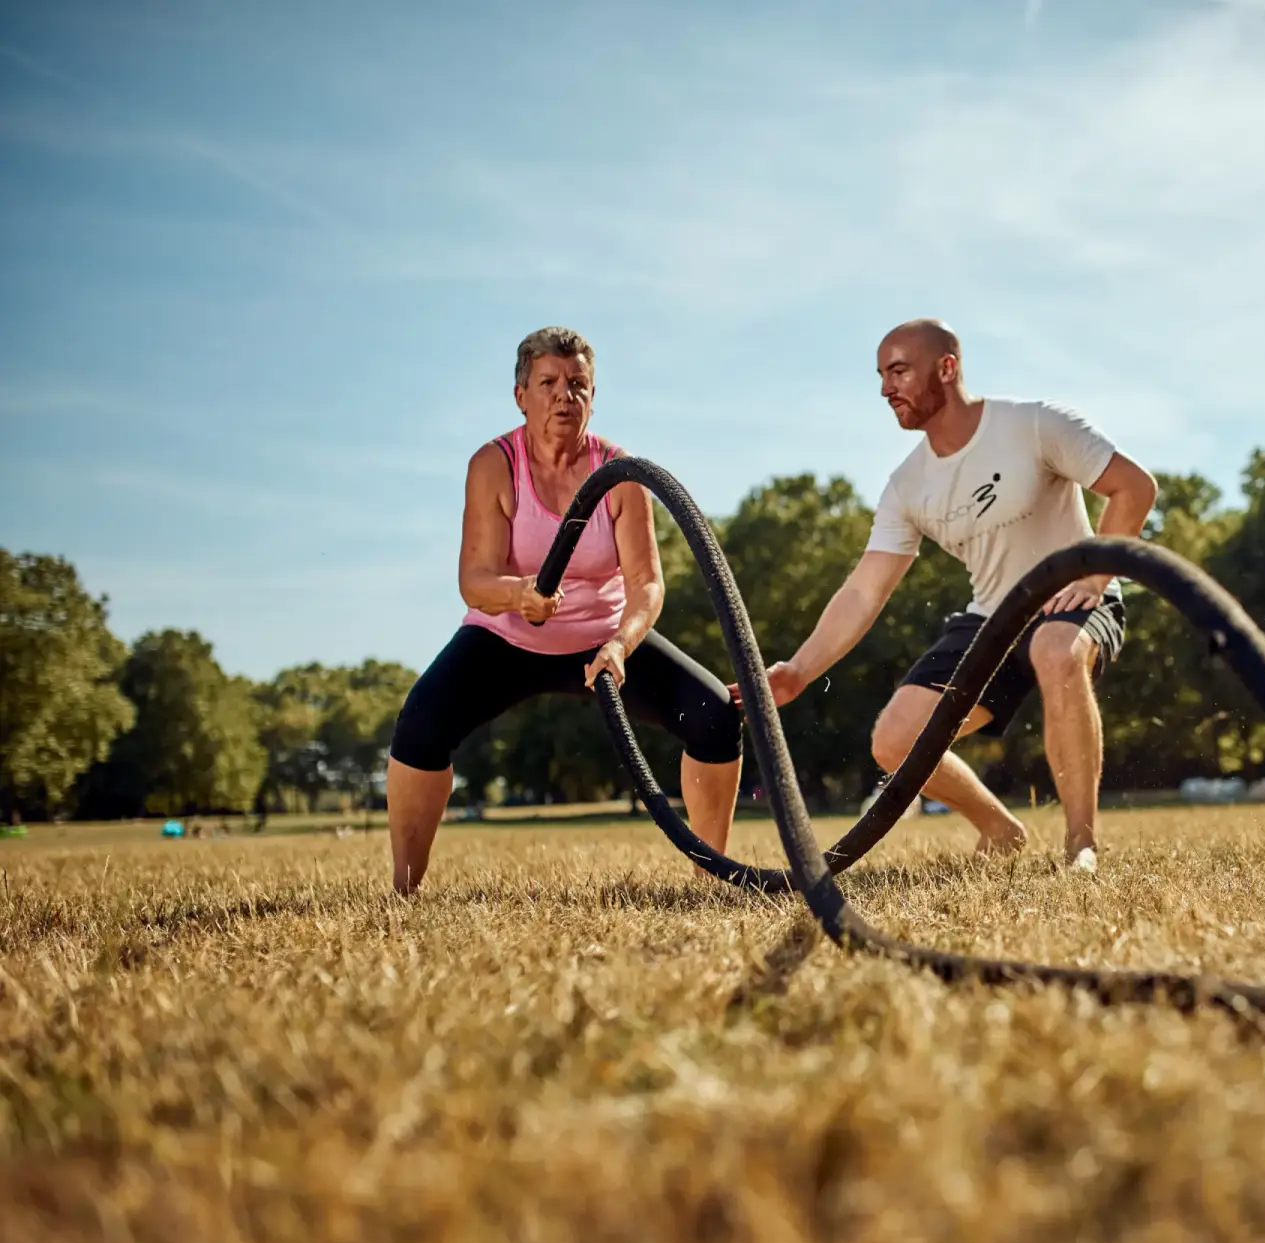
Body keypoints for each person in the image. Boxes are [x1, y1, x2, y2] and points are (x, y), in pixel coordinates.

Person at [744, 319, 1158, 865]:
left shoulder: (1034, 424)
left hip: (1075, 596)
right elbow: (865, 590)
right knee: (893, 741)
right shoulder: (907, 486)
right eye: (881, 375)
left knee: (1055, 651)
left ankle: (1081, 845)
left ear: (947, 367)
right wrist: (798, 670)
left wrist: (1093, 577)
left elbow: (1134, 487)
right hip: (991, 616)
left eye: (899, 371)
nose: (886, 389)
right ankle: (999, 829)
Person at [385, 326, 743, 896]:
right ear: (520, 395)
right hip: (506, 636)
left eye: (577, 384)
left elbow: (647, 584)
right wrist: (520, 595)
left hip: (603, 640)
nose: (564, 396)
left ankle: (709, 878)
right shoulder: (493, 464)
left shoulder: (622, 473)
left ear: (593, 397)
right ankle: (404, 888)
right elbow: (473, 581)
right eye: (548, 382)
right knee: (421, 724)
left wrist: (621, 643)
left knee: (717, 715)